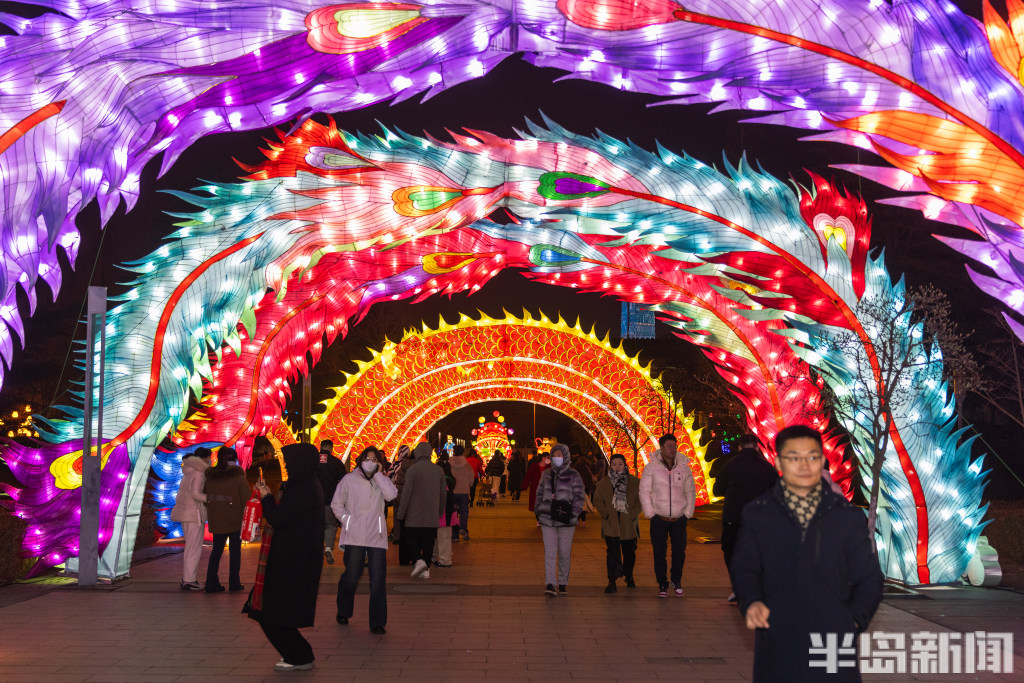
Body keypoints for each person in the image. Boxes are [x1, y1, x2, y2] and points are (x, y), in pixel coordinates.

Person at [731, 425, 884, 682]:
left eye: (812, 457)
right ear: (778, 461)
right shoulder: (759, 514)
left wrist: (853, 622)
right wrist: (752, 601)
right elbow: (745, 568)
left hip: (832, 642)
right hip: (778, 639)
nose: (804, 465)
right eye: (794, 457)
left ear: (823, 461)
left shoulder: (845, 516)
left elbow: (870, 578)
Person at [245, 443, 324, 672]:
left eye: (289, 462)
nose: (287, 466)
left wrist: (266, 497)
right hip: (293, 560)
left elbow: (278, 519)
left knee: (270, 612)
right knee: (273, 612)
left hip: (292, 563)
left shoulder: (303, 489)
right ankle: (299, 654)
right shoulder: (306, 485)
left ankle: (299, 655)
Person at [332, 446, 397, 634]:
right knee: (352, 576)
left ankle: (377, 622)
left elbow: (391, 495)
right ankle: (343, 609)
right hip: (355, 535)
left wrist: (378, 476)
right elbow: (337, 503)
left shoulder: (381, 480)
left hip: (376, 537)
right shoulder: (349, 480)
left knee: (377, 580)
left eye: (374, 459)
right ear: (360, 460)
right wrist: (347, 521)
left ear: (379, 462)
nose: (370, 462)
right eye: (367, 458)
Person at [712, 434, 778, 601]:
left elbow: (717, 490)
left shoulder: (730, 465)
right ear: (757, 447)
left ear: (739, 447)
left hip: (733, 517)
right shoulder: (767, 467)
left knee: (732, 551)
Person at [639, 433, 697, 598]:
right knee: (659, 552)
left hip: (679, 518)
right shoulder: (651, 468)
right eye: (669, 446)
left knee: (679, 551)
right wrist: (650, 514)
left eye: (675, 446)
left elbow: (690, 491)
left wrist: (687, 514)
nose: (673, 449)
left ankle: (676, 581)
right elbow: (644, 491)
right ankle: (662, 584)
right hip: (659, 518)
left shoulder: (684, 467)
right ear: (662, 447)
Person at [534, 443, 585, 596]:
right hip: (548, 518)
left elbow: (579, 496)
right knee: (549, 552)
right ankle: (550, 583)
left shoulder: (574, 475)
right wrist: (539, 509)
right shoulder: (547, 474)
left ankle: (562, 582)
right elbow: (539, 492)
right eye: (554, 455)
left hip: (566, 519)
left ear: (566, 456)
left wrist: (573, 513)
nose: (557, 458)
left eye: (560, 455)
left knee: (564, 552)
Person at [396, 442, 447, 580]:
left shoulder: (413, 470)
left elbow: (406, 494)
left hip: (414, 512)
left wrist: (401, 513)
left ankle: (418, 560)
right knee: (428, 541)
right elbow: (443, 494)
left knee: (410, 537)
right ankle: (426, 569)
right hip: (431, 513)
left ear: (417, 453)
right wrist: (440, 511)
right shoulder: (438, 470)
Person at [203, 446, 250, 593]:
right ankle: (234, 583)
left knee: (216, 551)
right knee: (235, 552)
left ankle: (210, 583)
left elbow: (206, 496)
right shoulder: (238, 477)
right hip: (235, 519)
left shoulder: (211, 477)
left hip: (216, 519)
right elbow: (246, 499)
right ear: (235, 459)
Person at [593, 453, 641, 593]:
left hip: (628, 524)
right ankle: (612, 581)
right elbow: (597, 501)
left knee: (629, 553)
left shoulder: (634, 482)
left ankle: (629, 575)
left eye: (620, 464)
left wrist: (633, 514)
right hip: (611, 523)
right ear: (610, 466)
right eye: (614, 464)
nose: (617, 467)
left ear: (625, 465)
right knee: (612, 553)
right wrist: (605, 513)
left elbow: (641, 500)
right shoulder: (603, 484)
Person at [170, 447, 211, 591]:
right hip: (194, 513)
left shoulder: (188, 471)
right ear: (205, 458)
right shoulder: (200, 472)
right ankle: (189, 580)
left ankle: (187, 578)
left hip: (185, 513)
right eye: (209, 458)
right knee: (194, 548)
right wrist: (210, 498)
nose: (210, 461)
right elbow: (196, 494)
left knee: (190, 546)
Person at [316, 439, 347, 565]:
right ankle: (328, 548)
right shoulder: (336, 462)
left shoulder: (312, 461)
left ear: (321, 447)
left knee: (315, 526)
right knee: (330, 525)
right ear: (331, 448)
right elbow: (345, 481)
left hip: (314, 503)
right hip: (330, 501)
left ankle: (315, 551)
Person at [433, 448, 457, 567]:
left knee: (440, 537)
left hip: (442, 516)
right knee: (444, 537)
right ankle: (442, 557)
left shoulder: (439, 485)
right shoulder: (450, 483)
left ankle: (444, 560)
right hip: (447, 515)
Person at [391, 444, 415, 561]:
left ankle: (397, 536)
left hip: (396, 495)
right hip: (410, 496)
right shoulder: (413, 465)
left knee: (397, 517)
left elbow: (390, 478)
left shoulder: (395, 464)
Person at [449, 444, 474, 540]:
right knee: (464, 511)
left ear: (454, 451)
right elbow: (471, 475)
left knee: (453, 512)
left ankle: (455, 536)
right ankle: (463, 528)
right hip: (463, 490)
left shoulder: (449, 462)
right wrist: (470, 484)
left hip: (452, 491)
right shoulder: (466, 463)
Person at [521, 450, 551, 521]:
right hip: (536, 488)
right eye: (547, 458)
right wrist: (524, 486)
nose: (549, 460)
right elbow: (528, 476)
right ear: (543, 458)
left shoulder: (550, 467)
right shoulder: (534, 466)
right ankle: (538, 519)